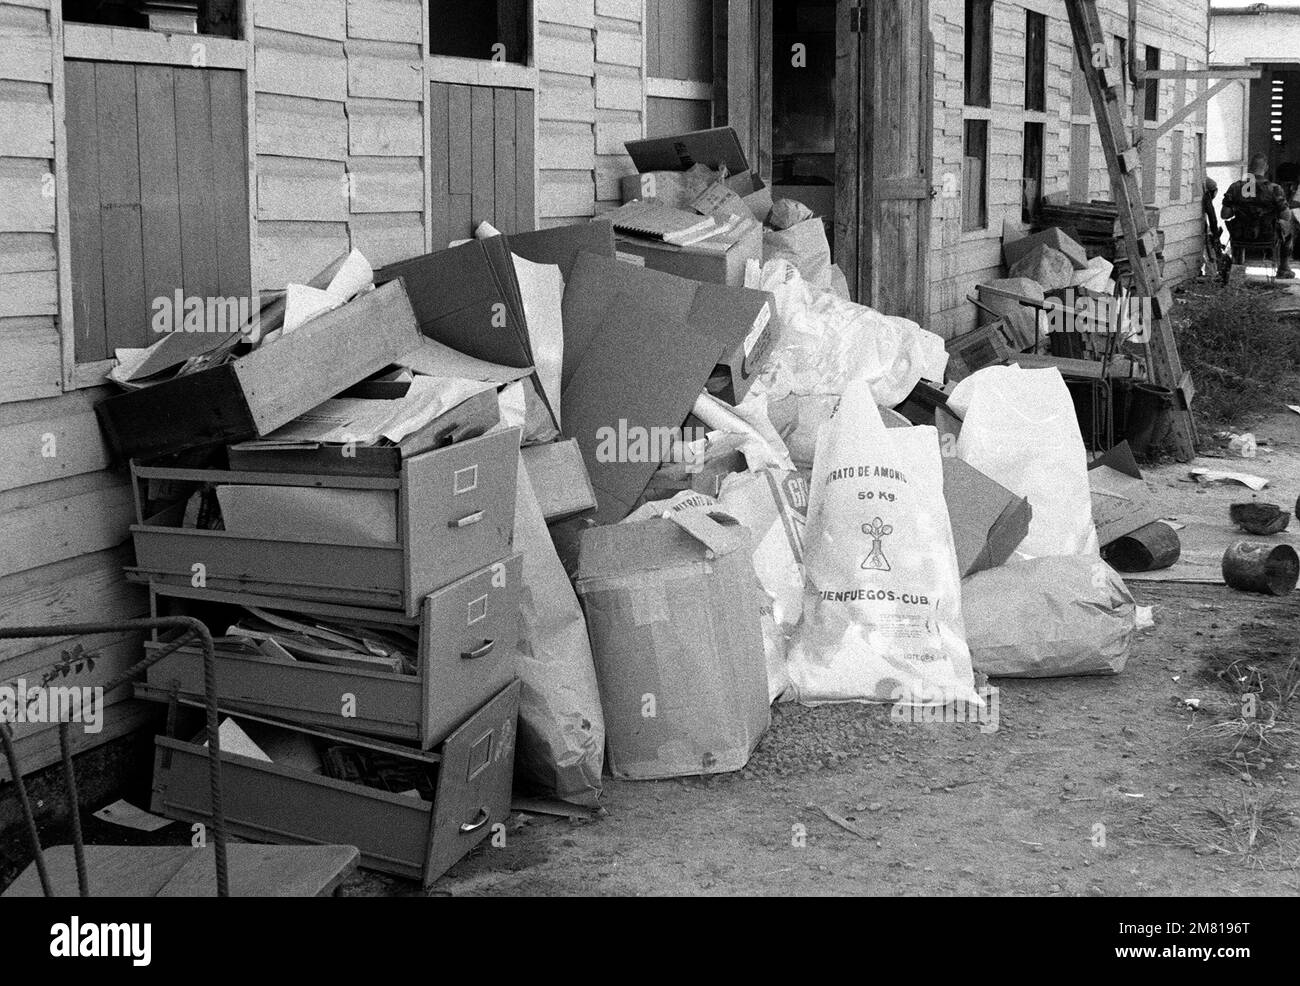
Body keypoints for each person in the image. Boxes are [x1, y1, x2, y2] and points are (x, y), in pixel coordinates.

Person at [1221, 153, 1295, 278]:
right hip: (1268, 234)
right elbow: (1286, 216)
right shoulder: (1275, 189)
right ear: (1266, 168)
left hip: (1241, 234)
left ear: (1249, 168)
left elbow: (1225, 215)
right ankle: (1284, 268)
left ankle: (1237, 269)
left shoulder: (1235, 187)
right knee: (1290, 224)